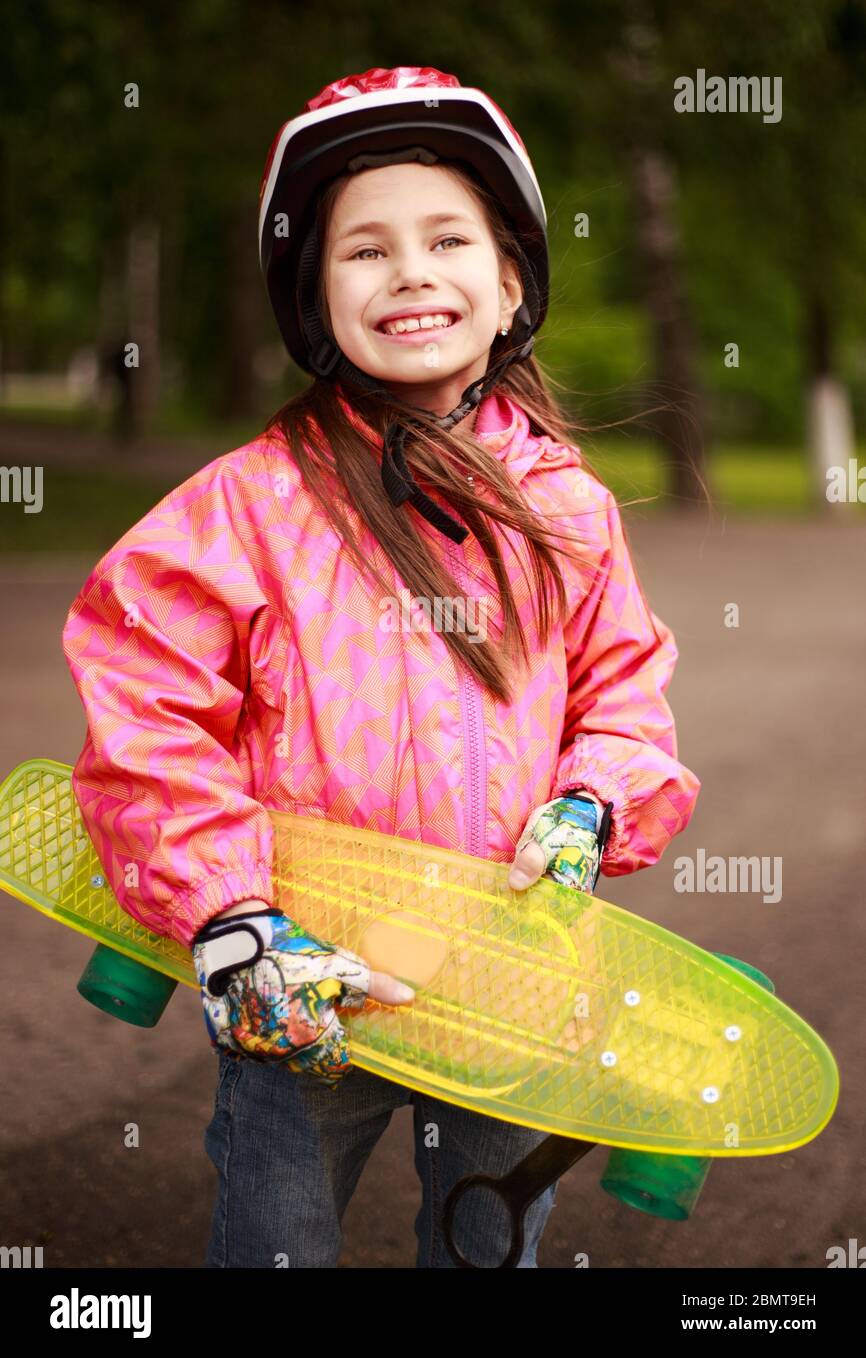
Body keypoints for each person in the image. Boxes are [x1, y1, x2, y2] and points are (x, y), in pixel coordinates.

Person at [61, 65, 701, 1269]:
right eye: (363, 250)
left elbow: (623, 689)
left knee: (487, 1243)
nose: (409, 269)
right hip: (311, 985)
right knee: (274, 1235)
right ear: (311, 301)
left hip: (508, 984)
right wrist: (233, 920)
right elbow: (146, 708)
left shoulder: (563, 506)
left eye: (446, 237)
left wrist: (592, 799)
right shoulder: (246, 509)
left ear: (508, 282)